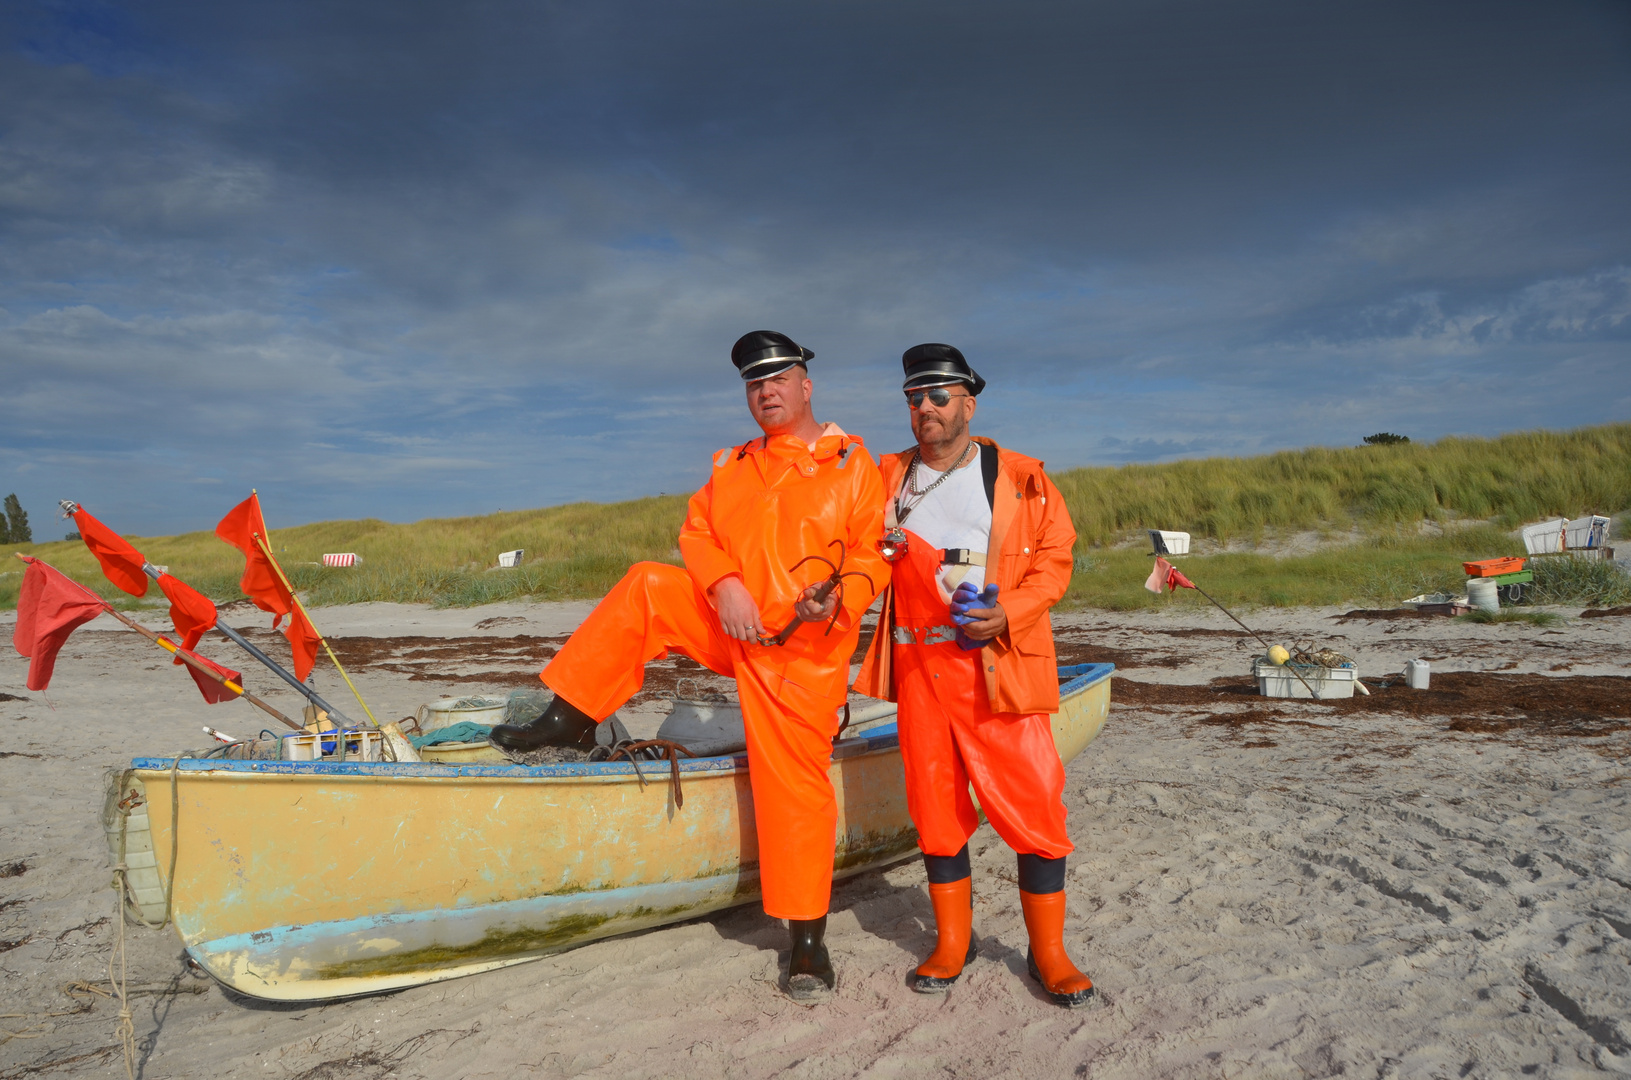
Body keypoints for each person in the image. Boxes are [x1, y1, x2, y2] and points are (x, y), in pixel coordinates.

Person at [490, 330, 887, 1001]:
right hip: (730, 625)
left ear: (805, 384)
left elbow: (873, 555)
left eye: (778, 379)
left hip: (801, 652)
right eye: (754, 383)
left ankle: (807, 942)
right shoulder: (732, 463)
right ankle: (569, 716)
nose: (765, 392)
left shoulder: (851, 464)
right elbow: (696, 532)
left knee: (793, 791)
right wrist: (723, 582)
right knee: (649, 583)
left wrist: (837, 599)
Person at [853, 343, 1092, 1008]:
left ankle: (1048, 954)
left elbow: (1054, 559)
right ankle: (951, 943)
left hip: (999, 662)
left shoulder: (1017, 476)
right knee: (935, 808)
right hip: (918, 664)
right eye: (911, 398)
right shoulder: (884, 477)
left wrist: (1007, 611)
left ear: (967, 401)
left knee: (1036, 804)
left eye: (936, 395)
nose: (922, 408)